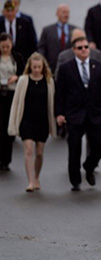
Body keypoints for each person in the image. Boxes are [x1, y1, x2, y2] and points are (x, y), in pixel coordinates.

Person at [55, 37, 101, 191]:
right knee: (74, 147)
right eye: (80, 48)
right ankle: (75, 179)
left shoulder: (98, 66)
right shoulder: (66, 68)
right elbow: (60, 93)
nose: (84, 49)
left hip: (95, 113)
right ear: (74, 50)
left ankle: (89, 166)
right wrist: (59, 113)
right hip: (74, 114)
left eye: (86, 47)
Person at [8, 53, 56, 192]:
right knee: (29, 150)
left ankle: (36, 177)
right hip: (27, 121)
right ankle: (30, 181)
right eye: (34, 67)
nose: (36, 70)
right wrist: (14, 121)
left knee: (39, 153)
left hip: (42, 121)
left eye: (39, 67)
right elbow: (17, 102)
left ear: (43, 67)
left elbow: (51, 102)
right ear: (30, 67)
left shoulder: (48, 81)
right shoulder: (23, 80)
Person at [0, 32, 23, 171]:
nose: (5, 49)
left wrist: (16, 77)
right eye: (3, 47)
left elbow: (24, 72)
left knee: (8, 128)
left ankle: (6, 159)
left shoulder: (17, 57)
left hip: (11, 94)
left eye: (7, 46)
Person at [38, 4, 78, 73]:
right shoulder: (47, 30)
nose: (66, 15)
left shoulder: (75, 30)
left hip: (71, 68)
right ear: (57, 13)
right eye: (63, 12)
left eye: (67, 12)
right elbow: (41, 48)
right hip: (51, 68)